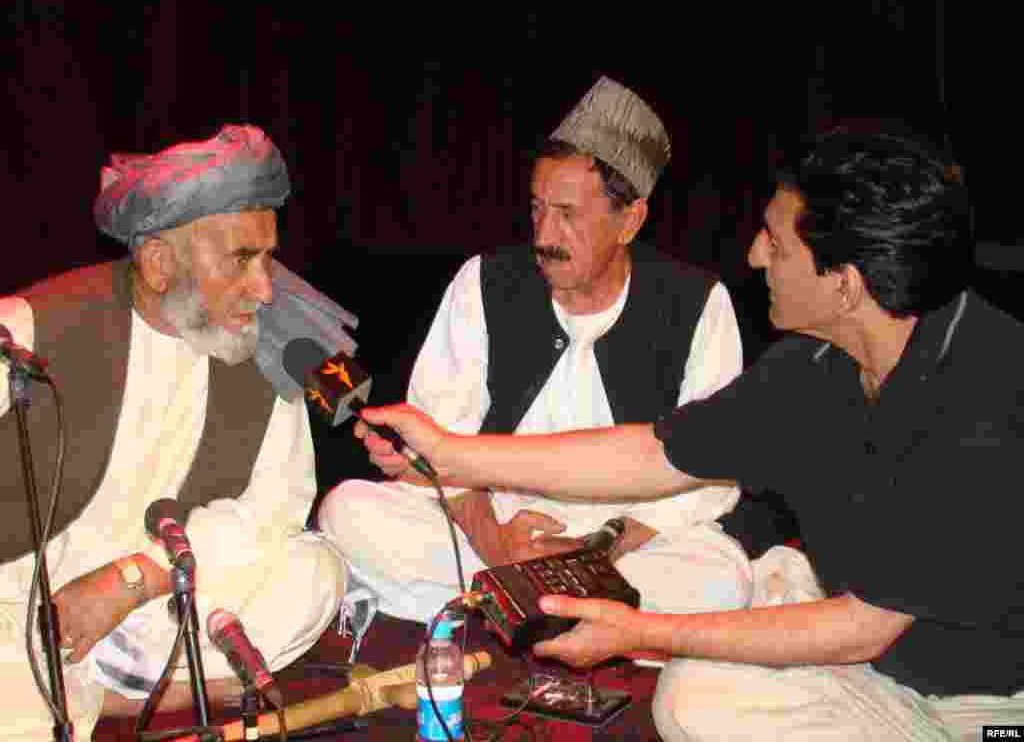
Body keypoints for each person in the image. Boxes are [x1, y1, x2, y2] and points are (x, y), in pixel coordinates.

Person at [355, 126, 1024, 740]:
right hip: (873, 667)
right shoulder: (817, 361)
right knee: (694, 694)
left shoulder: (985, 402)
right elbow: (657, 453)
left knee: (709, 631)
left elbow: (859, 628)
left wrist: (635, 629)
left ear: (845, 285)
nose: (756, 256)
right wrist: (451, 455)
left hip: (979, 704)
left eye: (777, 242)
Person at [318, 76, 764, 624]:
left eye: (568, 214)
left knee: (720, 576)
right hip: (497, 523)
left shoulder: (696, 302)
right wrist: (497, 544)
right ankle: (562, 609)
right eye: (537, 209)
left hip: (627, 536)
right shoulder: (484, 282)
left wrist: (601, 547)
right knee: (348, 511)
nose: (544, 233)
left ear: (631, 220)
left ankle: (503, 605)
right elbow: (441, 448)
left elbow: (706, 478)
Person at [0, 125, 347, 742]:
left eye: (268, 257)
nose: (266, 288)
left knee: (313, 570)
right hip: (36, 611)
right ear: (160, 262)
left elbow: (273, 510)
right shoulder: (34, 326)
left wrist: (136, 577)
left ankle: (99, 692)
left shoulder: (265, 348)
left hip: (155, 604)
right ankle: (133, 693)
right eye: (242, 259)